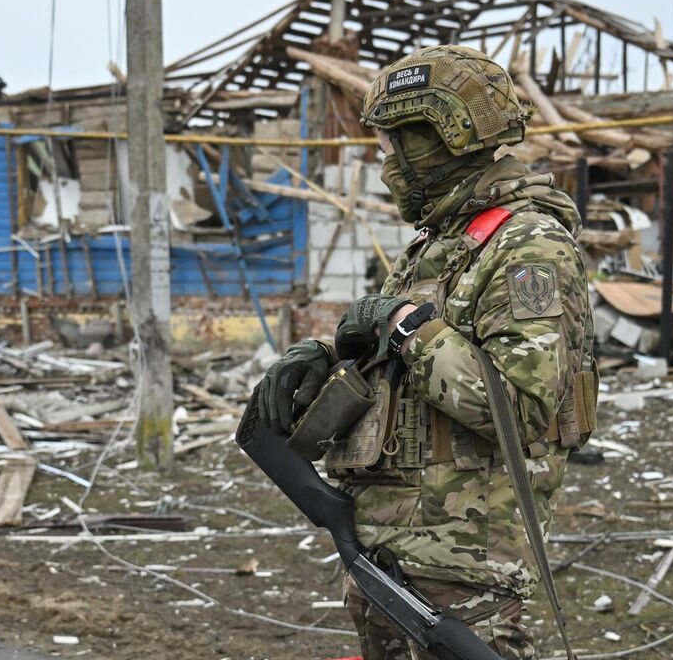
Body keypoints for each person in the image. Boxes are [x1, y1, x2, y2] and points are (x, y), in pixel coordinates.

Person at [254, 45, 597, 659]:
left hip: (461, 566)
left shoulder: (528, 246)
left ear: (436, 140)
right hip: (390, 550)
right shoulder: (443, 245)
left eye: (391, 146)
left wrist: (403, 323)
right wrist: (326, 357)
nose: (384, 162)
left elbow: (517, 409)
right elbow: (405, 367)